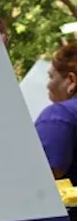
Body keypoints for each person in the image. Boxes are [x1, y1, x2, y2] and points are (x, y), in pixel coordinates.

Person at [36, 40, 78, 181]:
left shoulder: (59, 116)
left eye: (51, 77)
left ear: (72, 80)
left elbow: (35, 177)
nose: (48, 85)